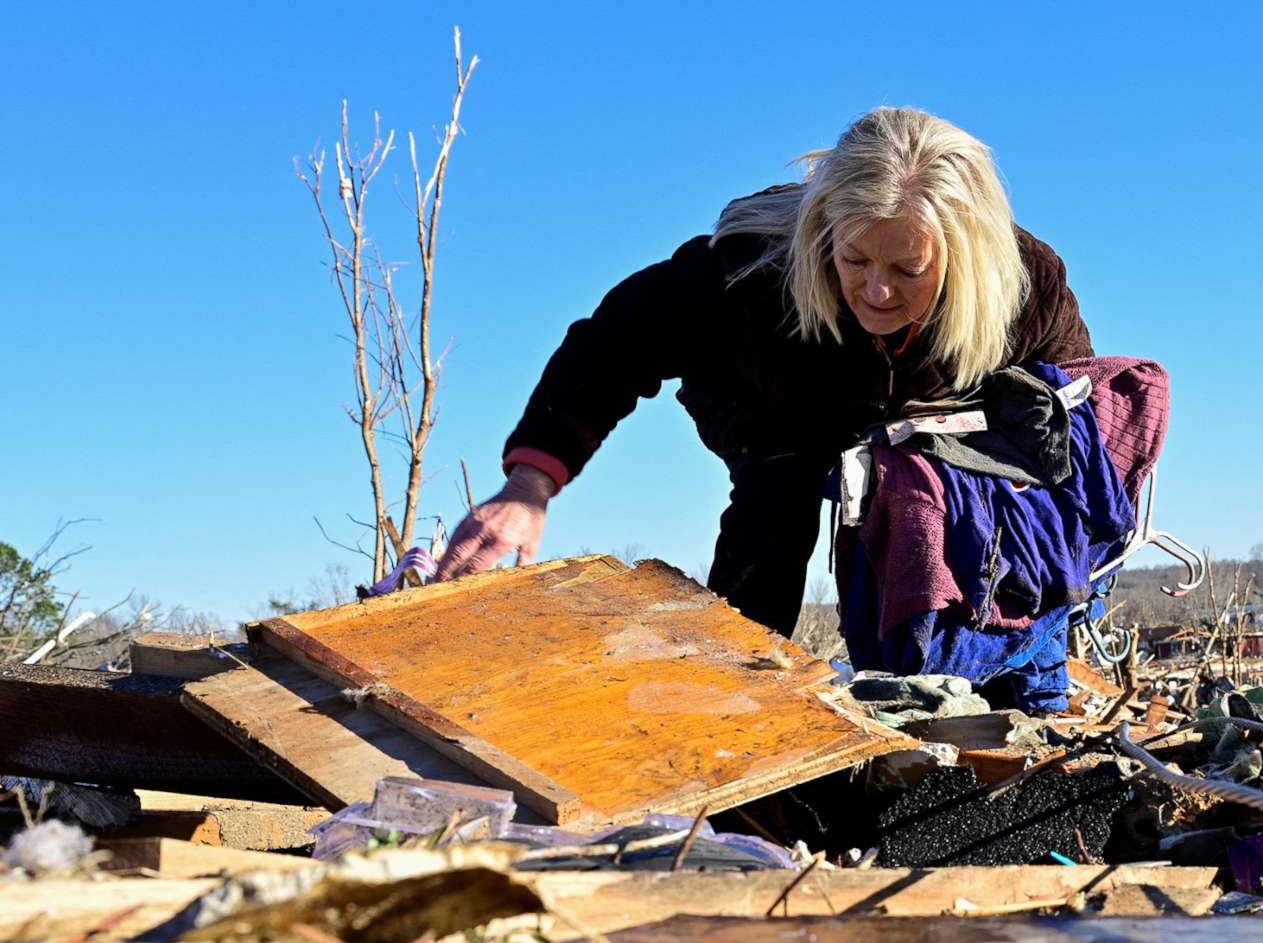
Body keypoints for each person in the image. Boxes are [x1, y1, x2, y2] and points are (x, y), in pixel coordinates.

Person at [435, 107, 1094, 635]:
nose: (876, 292)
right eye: (855, 258)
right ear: (825, 230)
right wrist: (530, 485)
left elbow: (1081, 403)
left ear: (961, 259)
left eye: (907, 270)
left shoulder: (1024, 286)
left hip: (929, 408)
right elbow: (611, 344)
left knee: (952, 506)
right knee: (779, 495)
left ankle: (939, 671)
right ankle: (740, 689)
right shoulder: (748, 274)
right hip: (770, 395)